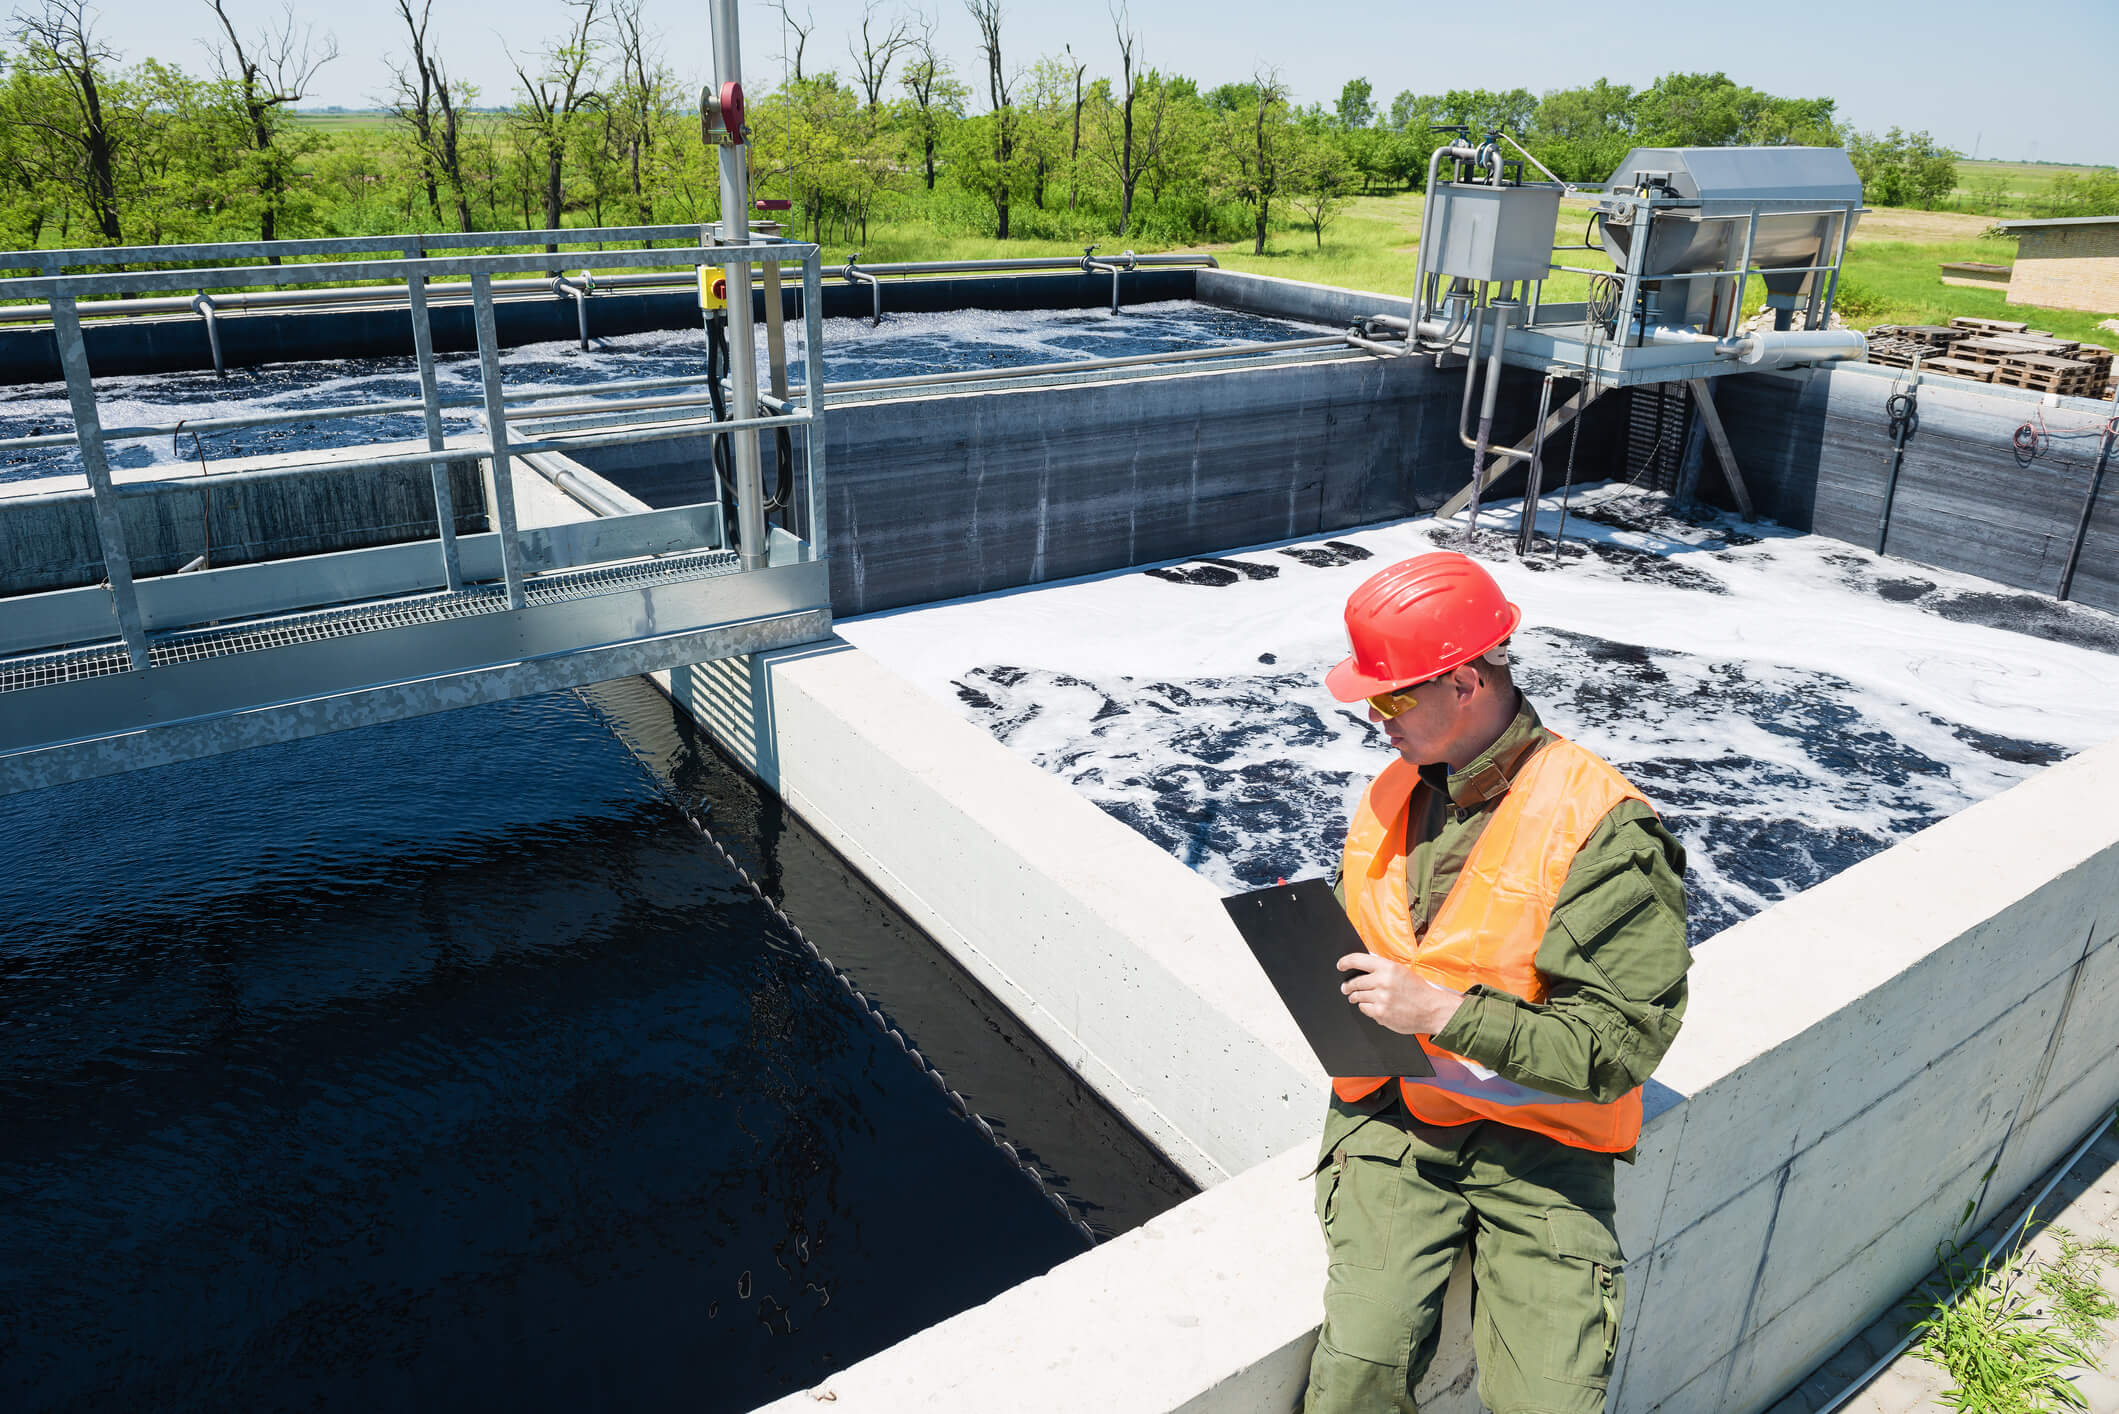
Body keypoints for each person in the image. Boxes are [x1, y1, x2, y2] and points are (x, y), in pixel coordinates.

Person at [1303, 550, 1690, 1414]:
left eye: (1392, 695)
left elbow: (1617, 1048)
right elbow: (1360, 936)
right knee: (1359, 1368)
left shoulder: (1605, 828)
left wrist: (1439, 1010)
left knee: (1552, 1401)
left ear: (1467, 682)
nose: (1375, 716)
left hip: (1543, 1141)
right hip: (1396, 1112)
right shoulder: (1393, 787)